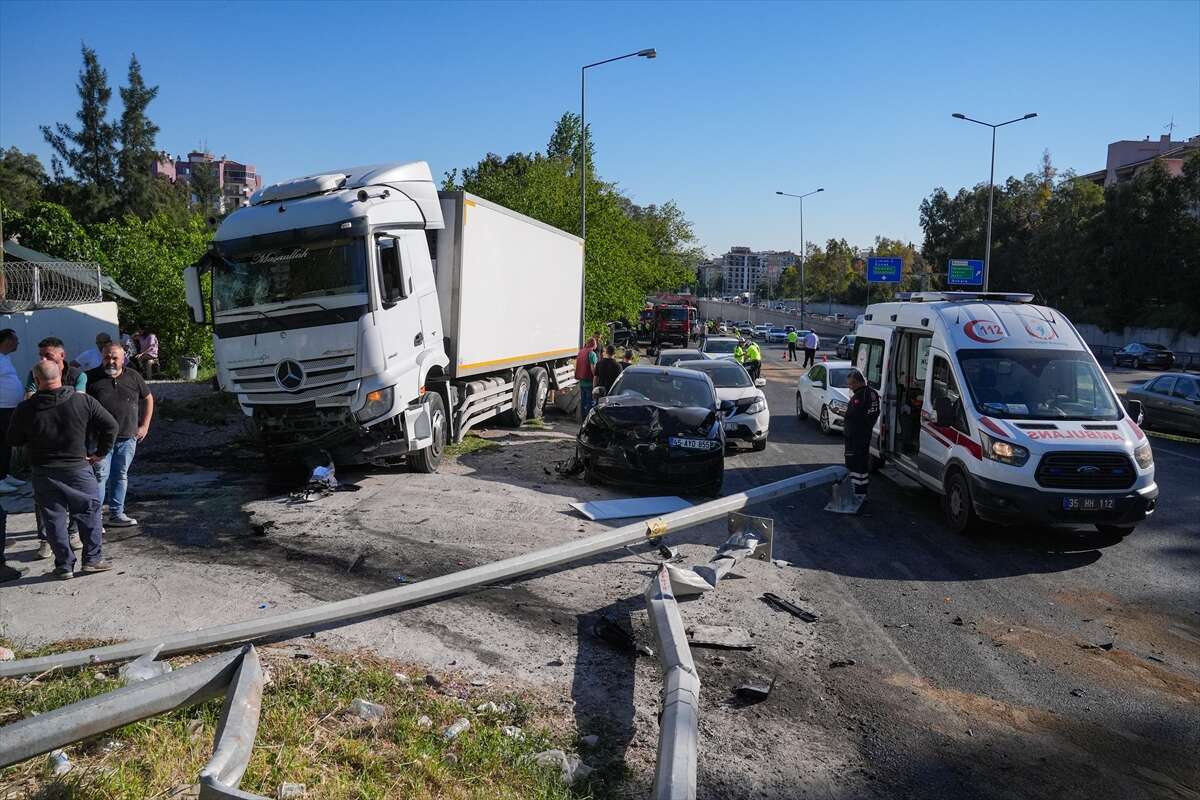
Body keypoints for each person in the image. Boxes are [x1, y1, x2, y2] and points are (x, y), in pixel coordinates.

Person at [7, 360, 118, 579]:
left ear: (36, 380)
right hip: (77, 468)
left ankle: (64, 565)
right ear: (61, 374)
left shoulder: (25, 408)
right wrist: (100, 453)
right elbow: (111, 425)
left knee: (53, 519)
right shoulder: (82, 401)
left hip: (43, 471)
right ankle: (92, 560)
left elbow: (13, 439)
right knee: (89, 513)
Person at [87, 342, 153, 528]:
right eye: (107, 357)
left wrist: (145, 425)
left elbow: (148, 398)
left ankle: (116, 514)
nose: (111, 361)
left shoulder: (133, 376)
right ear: (102, 357)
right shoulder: (90, 378)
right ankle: (95, 520)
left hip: (127, 437)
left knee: (120, 475)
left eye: (115, 357)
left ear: (123, 358)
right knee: (99, 476)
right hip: (99, 439)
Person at [843, 368, 881, 499]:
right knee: (862, 465)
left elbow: (852, 416)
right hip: (865, 435)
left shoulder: (859, 397)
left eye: (851, 384)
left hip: (855, 438)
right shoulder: (873, 394)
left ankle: (857, 493)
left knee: (854, 465)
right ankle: (862, 491)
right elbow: (875, 413)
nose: (850, 387)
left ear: (858, 382)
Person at [0, 329, 26, 495]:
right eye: (15, 340)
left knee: (7, 442)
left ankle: (4, 474)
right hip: (1, 409)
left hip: (10, 408)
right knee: (0, 444)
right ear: (7, 340)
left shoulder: (5, 358)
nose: (18, 343)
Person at [575, 332, 601, 421]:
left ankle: (582, 419)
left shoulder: (581, 352)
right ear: (593, 344)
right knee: (590, 401)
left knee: (583, 401)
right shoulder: (592, 354)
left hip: (581, 381)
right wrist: (596, 378)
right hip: (589, 381)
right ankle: (588, 420)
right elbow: (593, 369)